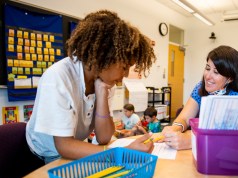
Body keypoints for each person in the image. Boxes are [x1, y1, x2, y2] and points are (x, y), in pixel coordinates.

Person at [26, 10, 156, 164]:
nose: (126, 74)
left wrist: (101, 94)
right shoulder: (58, 77)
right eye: (124, 67)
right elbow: (64, 146)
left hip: (75, 145)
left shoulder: (106, 81)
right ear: (105, 57)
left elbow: (103, 137)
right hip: (45, 154)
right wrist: (122, 153)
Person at [162, 45, 238, 150]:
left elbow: (228, 137)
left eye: (216, 72)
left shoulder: (237, 98)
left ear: (230, 78)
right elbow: (184, 118)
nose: (208, 76)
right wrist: (175, 128)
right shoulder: (200, 87)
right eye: (207, 68)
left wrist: (191, 141)